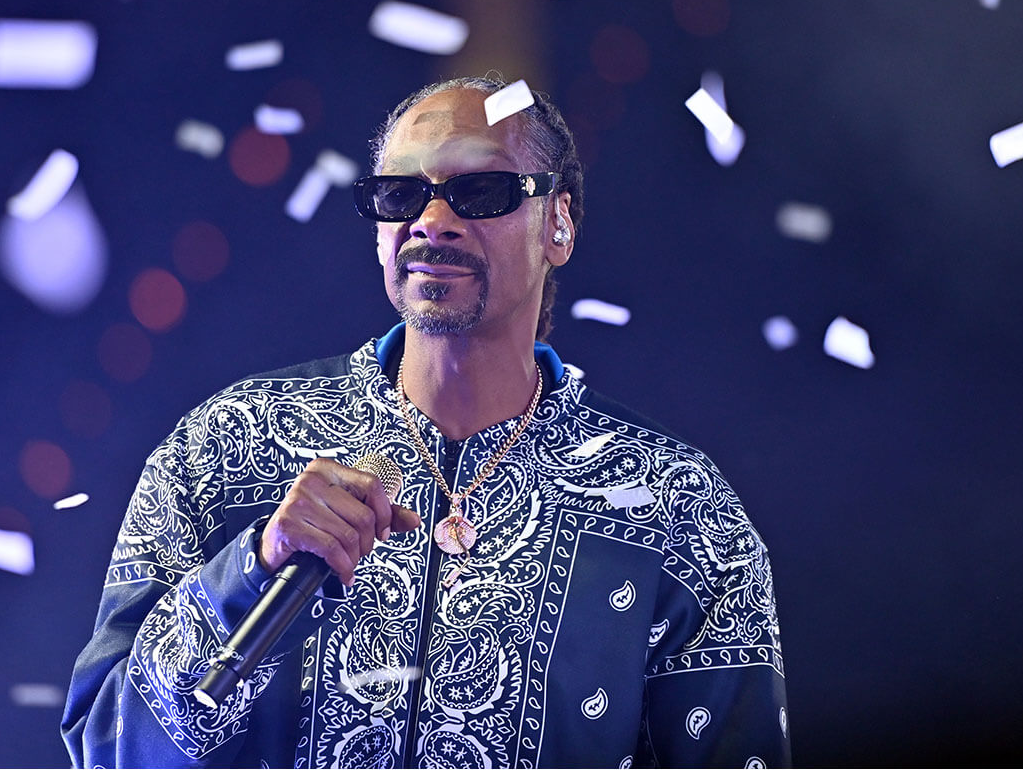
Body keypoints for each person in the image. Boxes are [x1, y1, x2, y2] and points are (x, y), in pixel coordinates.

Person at [62, 76, 791, 768]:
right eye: (400, 194)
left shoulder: (675, 505)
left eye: (480, 191)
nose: (432, 222)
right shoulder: (226, 447)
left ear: (559, 223)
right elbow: (105, 749)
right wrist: (251, 573)